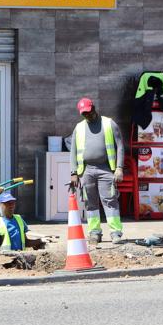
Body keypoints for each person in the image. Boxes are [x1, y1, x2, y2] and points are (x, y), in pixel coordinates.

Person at [69, 98, 125, 245]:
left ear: (93, 108)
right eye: (84, 114)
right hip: (87, 171)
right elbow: (73, 151)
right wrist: (73, 172)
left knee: (110, 201)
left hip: (106, 169)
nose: (87, 116)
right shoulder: (79, 128)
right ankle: (94, 233)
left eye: (88, 112)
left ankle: (115, 233)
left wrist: (119, 167)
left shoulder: (109, 123)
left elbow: (120, 146)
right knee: (90, 203)